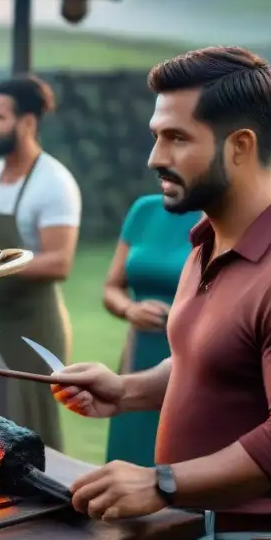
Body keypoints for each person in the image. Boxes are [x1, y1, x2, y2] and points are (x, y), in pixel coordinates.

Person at [51, 47, 271, 540]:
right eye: (156, 136)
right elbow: (206, 362)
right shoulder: (203, 239)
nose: (155, 157)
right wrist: (125, 389)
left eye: (177, 138)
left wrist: (160, 481)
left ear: (240, 146)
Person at [0, 75, 81, 451]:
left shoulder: (53, 182)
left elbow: (59, 262)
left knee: (30, 437)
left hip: (31, 331)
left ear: (28, 122)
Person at [102, 194, 199, 466]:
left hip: (192, 357)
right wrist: (129, 309)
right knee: (129, 454)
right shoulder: (145, 209)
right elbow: (112, 287)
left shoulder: (223, 217)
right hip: (138, 354)